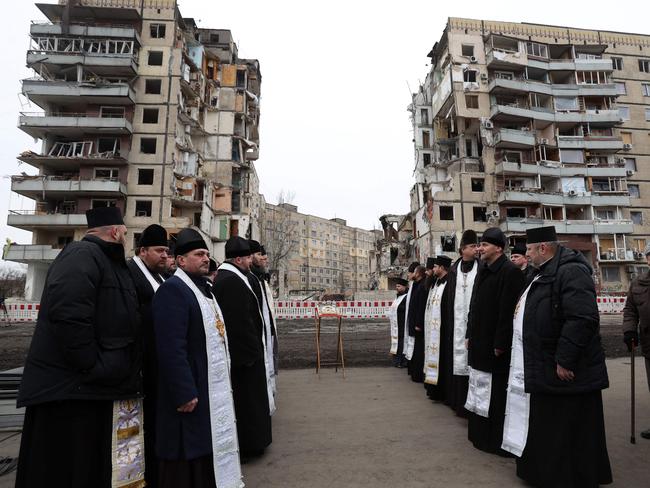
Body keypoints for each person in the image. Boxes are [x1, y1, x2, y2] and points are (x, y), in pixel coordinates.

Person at [16, 207, 143, 488]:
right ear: (115, 231)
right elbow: (69, 315)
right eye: (124, 232)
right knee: (65, 469)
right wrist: (92, 365)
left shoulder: (105, 260)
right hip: (72, 390)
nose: (125, 237)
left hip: (92, 389)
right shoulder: (81, 255)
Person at [503, 226, 612, 486]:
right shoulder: (539, 272)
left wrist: (565, 358)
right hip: (543, 365)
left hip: (566, 369)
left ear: (543, 248)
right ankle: (547, 474)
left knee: (570, 429)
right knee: (551, 428)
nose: (525, 256)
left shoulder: (571, 271)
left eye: (529, 250)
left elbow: (582, 318)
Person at [153, 228, 242, 488]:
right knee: (186, 453)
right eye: (199, 254)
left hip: (208, 387)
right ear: (181, 260)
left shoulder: (205, 290)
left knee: (205, 447)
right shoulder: (173, 291)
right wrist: (183, 392)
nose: (205, 258)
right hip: (189, 392)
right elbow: (171, 347)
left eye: (206, 254)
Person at [465, 227, 524, 456]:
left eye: (485, 245)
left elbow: (507, 311)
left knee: (495, 393)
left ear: (498, 247)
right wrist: (469, 334)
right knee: (479, 388)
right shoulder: (484, 270)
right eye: (479, 245)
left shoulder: (510, 272)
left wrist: (501, 343)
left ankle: (494, 439)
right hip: (479, 343)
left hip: (495, 347)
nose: (480, 248)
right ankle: (479, 435)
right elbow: (474, 305)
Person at [213, 236, 273, 460]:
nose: (252, 261)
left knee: (252, 403)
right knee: (247, 404)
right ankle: (250, 446)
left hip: (249, 354)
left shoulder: (237, 277)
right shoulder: (230, 281)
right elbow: (237, 323)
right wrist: (249, 356)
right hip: (244, 359)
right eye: (248, 257)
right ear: (238, 259)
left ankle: (255, 443)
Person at [128, 224, 169, 488]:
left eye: (167, 251)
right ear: (143, 251)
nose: (166, 256)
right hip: (140, 366)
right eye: (160, 251)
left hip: (158, 364)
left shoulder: (160, 277)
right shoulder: (130, 274)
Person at [446, 229, 479, 416]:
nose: (476, 249)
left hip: (473, 325)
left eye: (477, 246)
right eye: (472, 246)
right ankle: (458, 403)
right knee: (457, 362)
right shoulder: (453, 271)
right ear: (462, 249)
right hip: (456, 326)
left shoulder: (481, 268)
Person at [622, 242, 650, 440]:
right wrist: (630, 330)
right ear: (647, 258)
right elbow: (630, 311)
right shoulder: (638, 283)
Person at [248, 239, 277, 399]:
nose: (263, 258)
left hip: (266, 331)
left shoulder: (259, 278)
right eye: (259, 254)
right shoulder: (251, 278)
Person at [423, 255, 454, 401]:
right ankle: (433, 390)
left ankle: (442, 392)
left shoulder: (448, 284)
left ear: (442, 268)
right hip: (434, 329)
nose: (433, 269)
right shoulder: (436, 284)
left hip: (443, 330)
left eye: (435, 266)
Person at [407, 265, 428, 383]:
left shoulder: (422, 286)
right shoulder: (416, 285)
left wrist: (418, 323)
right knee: (415, 349)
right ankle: (414, 372)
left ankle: (418, 374)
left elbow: (421, 306)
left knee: (419, 350)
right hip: (414, 322)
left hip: (418, 325)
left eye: (414, 272)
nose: (412, 274)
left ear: (419, 273)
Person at [402, 261, 420, 372]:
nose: (408, 275)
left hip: (416, 323)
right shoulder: (413, 285)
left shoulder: (418, 285)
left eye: (410, 272)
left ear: (416, 272)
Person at [389, 278, 409, 367]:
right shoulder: (398, 297)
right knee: (397, 343)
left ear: (404, 287)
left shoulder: (406, 297)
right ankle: (397, 361)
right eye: (396, 286)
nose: (397, 288)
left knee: (402, 344)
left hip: (403, 325)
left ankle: (402, 361)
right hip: (396, 325)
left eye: (399, 286)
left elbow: (405, 309)